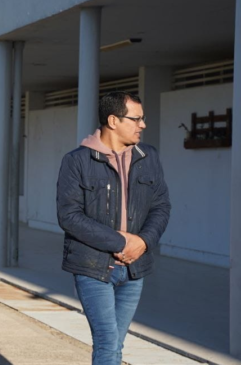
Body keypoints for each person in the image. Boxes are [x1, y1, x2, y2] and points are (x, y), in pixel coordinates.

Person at [56, 91, 171, 365]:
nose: (143, 125)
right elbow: (69, 216)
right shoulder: (77, 161)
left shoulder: (148, 156)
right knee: (108, 342)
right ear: (112, 120)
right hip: (93, 266)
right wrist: (121, 243)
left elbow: (161, 206)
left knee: (116, 344)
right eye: (136, 119)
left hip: (134, 268)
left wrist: (142, 242)